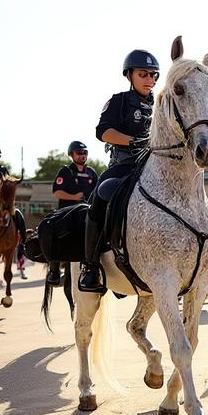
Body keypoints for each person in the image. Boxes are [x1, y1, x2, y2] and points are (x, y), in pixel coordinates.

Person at [79, 49, 160, 292]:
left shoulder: (164, 103)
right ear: (130, 75)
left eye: (153, 75)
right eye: (143, 74)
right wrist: (133, 141)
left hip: (157, 167)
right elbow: (103, 131)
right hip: (125, 165)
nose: (149, 79)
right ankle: (91, 266)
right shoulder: (119, 101)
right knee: (102, 195)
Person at [46, 141, 99, 289]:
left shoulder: (92, 173)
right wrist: (74, 197)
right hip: (68, 212)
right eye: (79, 153)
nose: (83, 155)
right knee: (55, 232)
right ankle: (54, 271)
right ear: (72, 155)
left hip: (87, 213)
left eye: (85, 153)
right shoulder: (65, 171)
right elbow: (57, 192)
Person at [0, 146, 26, 241]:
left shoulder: (3, 169)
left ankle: (24, 242)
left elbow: (9, 184)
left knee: (18, 215)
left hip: (0, 200)